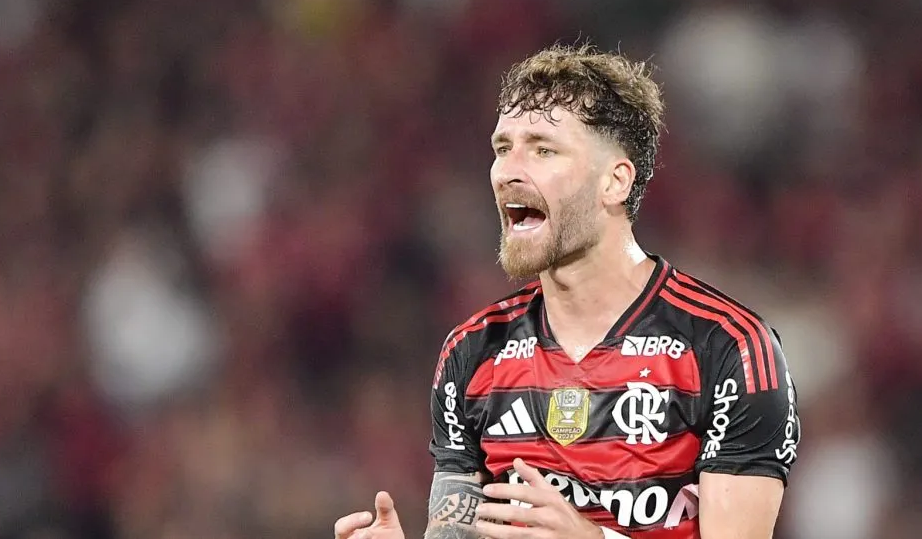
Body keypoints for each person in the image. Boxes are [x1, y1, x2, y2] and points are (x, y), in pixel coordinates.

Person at [333, 44, 800, 539]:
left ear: (615, 182)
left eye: (543, 149)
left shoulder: (729, 348)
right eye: (502, 148)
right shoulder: (472, 352)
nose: (508, 171)